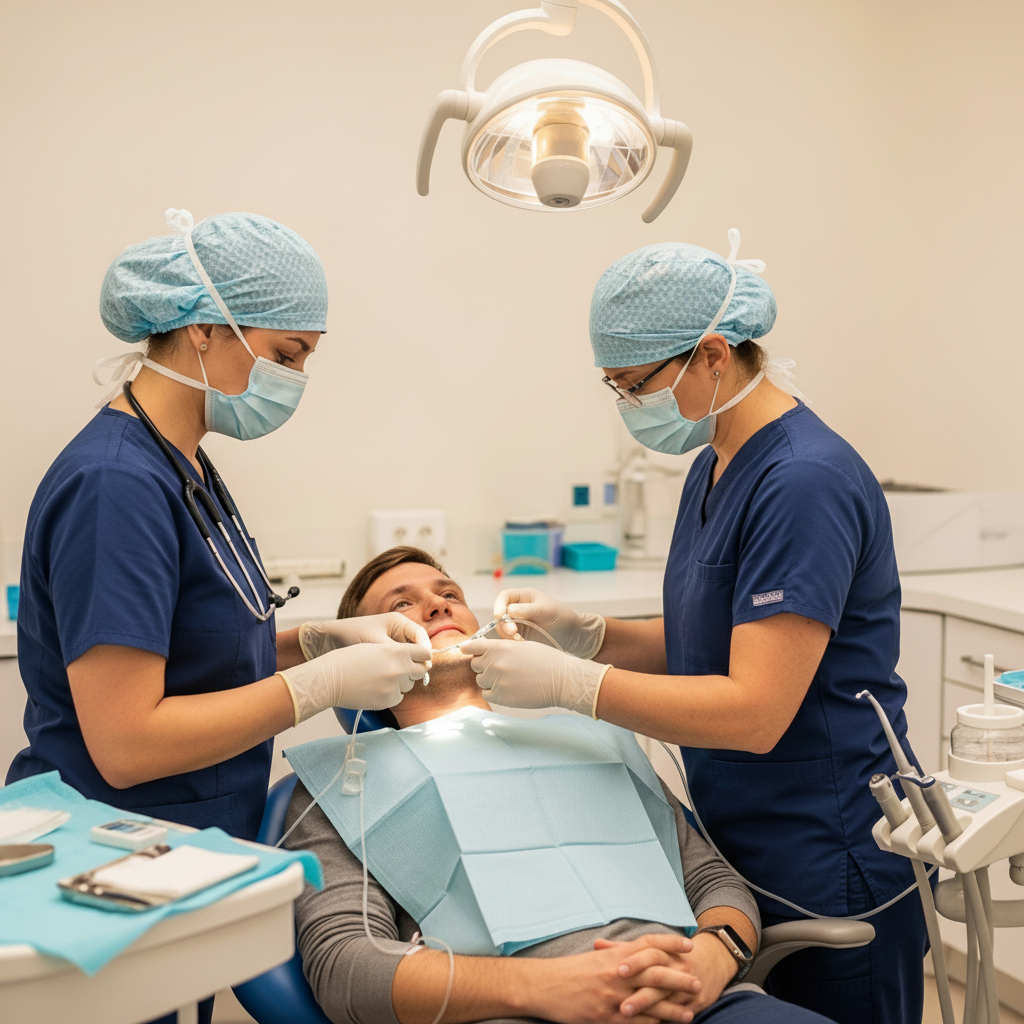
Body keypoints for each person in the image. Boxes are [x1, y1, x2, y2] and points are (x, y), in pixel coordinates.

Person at [459, 231, 928, 1024]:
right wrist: (588, 635)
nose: (628, 406)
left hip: (830, 845)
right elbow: (707, 640)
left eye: (637, 384)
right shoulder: (715, 462)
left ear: (713, 354)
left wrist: (573, 685)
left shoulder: (802, 482)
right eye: (614, 387)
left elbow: (755, 710)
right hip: (745, 843)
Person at [5, 210, 430, 1024]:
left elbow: (197, 649)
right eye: (285, 355)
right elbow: (128, 743)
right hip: (106, 864)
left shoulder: (184, 464)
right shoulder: (116, 486)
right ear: (203, 328)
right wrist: (320, 685)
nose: (295, 379)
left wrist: (319, 641)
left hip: (178, 857)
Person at [283, 546, 837, 1024]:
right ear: (359, 654)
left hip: (693, 1002)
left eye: (448, 592)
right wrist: (547, 987)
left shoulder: (593, 738)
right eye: (401, 605)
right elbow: (345, 967)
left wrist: (713, 957)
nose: (438, 604)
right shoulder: (343, 785)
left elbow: (712, 881)